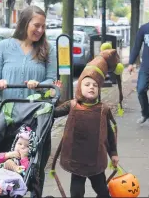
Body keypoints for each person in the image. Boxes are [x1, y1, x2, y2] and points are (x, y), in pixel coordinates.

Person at [53, 48, 120, 198]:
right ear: (79, 88)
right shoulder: (72, 105)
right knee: (76, 193)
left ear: (99, 89)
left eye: (95, 85)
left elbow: (109, 134)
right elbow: (54, 112)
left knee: (102, 191)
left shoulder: (103, 109)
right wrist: (53, 96)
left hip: (96, 161)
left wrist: (113, 153)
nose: (91, 87)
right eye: (87, 84)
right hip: (77, 161)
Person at [0, 5, 57, 100]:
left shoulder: (49, 49)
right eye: (36, 25)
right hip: (6, 110)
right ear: (25, 24)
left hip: (36, 110)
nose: (40, 30)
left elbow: (52, 80)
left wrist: (39, 85)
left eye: (43, 26)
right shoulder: (3, 46)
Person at [128, 6, 149, 129]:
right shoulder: (144, 29)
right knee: (140, 90)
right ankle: (145, 113)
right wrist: (131, 63)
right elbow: (136, 47)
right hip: (146, 67)